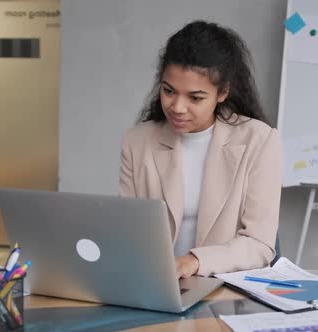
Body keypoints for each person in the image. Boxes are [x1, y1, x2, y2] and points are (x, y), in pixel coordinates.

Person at [119, 21, 282, 279]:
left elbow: (259, 245)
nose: (177, 107)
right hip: (155, 284)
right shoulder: (137, 142)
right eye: (168, 91)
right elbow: (128, 231)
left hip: (225, 290)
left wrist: (194, 261)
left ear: (222, 92)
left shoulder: (259, 141)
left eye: (195, 98)